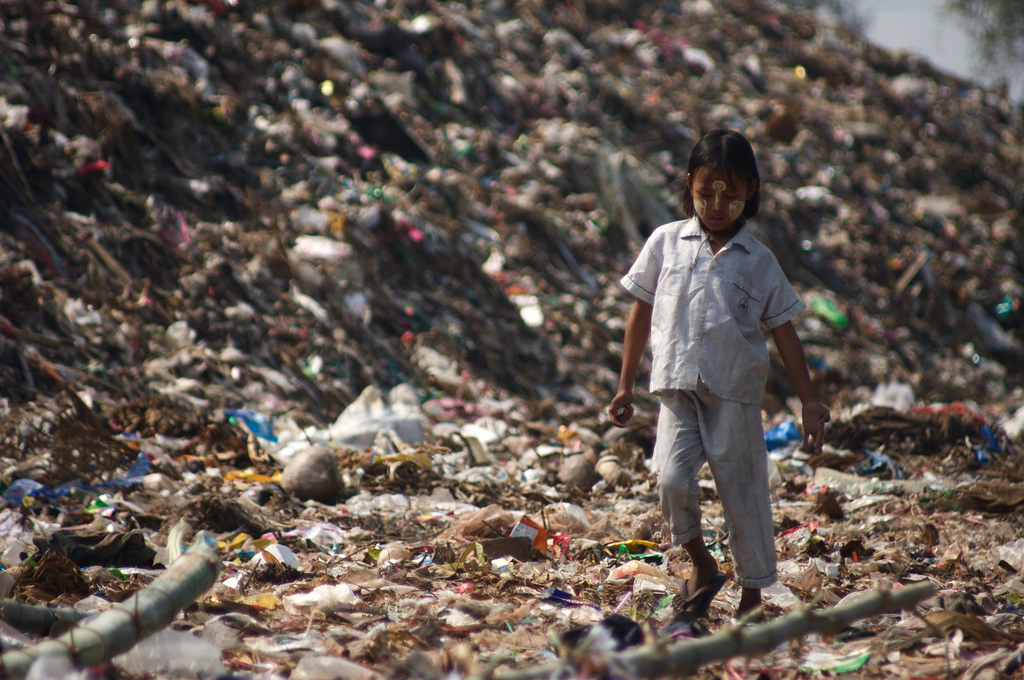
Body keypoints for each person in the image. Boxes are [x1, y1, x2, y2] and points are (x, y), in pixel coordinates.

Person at [608, 129, 830, 619]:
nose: (716, 203)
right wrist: (625, 384)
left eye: (729, 194)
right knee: (670, 480)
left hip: (734, 392)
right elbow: (639, 313)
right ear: (689, 185)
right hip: (676, 387)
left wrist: (808, 401)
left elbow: (785, 334)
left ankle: (751, 600)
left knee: (744, 495)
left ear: (751, 190)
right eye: (706, 192)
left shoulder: (760, 262)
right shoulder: (666, 242)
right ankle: (702, 564)